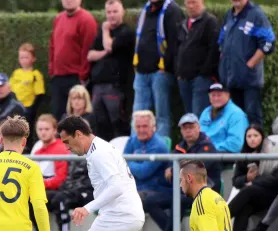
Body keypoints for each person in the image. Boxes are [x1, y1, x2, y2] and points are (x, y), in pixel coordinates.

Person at [142, 113, 221, 231]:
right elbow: (168, 172)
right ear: (181, 131)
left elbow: (197, 169)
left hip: (203, 193)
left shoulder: (207, 146)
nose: (188, 131)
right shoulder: (180, 147)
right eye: (185, 128)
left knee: (177, 200)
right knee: (149, 201)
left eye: (191, 127)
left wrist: (175, 169)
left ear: (198, 127)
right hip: (182, 190)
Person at [228, 124, 278, 231]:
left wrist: (254, 181)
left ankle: (221, 217)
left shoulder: (273, 152)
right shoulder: (244, 155)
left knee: (248, 191)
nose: (252, 139)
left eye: (255, 136)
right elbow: (236, 182)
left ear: (262, 137)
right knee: (244, 207)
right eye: (249, 136)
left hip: (272, 194)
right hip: (253, 196)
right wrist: (246, 178)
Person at [218, 0, 275, 125]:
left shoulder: (256, 15)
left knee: (252, 119)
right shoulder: (229, 14)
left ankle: (255, 145)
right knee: (234, 120)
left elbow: (268, 42)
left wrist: (250, 64)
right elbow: (221, 41)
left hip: (250, 80)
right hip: (231, 79)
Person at [132, 0, 184, 137]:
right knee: (137, 116)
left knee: (162, 116)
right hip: (142, 72)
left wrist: (166, 67)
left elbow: (175, 43)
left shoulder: (171, 9)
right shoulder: (146, 9)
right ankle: (135, 154)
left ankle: (162, 154)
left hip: (160, 73)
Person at [87, 0, 134, 141]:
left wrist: (105, 30)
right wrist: (103, 53)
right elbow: (90, 55)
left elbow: (109, 46)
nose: (111, 15)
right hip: (97, 87)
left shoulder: (126, 32)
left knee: (118, 123)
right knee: (99, 124)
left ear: (122, 12)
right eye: (108, 12)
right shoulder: (100, 35)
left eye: (115, 11)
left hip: (116, 87)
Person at [49, 0, 97, 119]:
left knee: (77, 120)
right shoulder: (58, 19)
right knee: (58, 118)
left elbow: (87, 50)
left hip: (76, 78)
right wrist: (52, 70)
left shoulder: (86, 20)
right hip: (58, 78)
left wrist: (82, 77)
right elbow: (52, 46)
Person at [29, 114, 69, 231]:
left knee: (58, 199)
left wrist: (40, 184)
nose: (43, 132)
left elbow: (60, 178)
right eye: (40, 129)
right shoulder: (38, 152)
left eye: (46, 129)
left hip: (60, 190)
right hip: (44, 189)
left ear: (54, 130)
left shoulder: (60, 149)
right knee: (29, 201)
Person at [175, 0, 219, 117]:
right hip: (184, 78)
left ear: (202, 2)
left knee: (199, 114)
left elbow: (214, 49)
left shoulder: (210, 22)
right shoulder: (183, 23)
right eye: (188, 3)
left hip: (200, 79)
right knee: (188, 116)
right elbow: (178, 48)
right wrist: (178, 71)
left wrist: (204, 73)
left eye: (194, 3)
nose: (191, 6)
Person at [198, 83, 248, 153]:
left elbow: (235, 144)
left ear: (228, 95)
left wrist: (209, 149)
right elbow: (197, 135)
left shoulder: (236, 114)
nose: (216, 98)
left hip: (224, 157)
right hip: (203, 153)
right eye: (213, 95)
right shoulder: (206, 112)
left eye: (219, 95)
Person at [10, 43, 45, 130]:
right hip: (14, 107)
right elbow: (10, 89)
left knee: (26, 131)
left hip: (27, 108)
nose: (24, 60)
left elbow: (39, 94)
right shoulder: (16, 73)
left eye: (26, 57)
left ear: (33, 59)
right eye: (21, 58)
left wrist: (32, 110)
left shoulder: (35, 74)